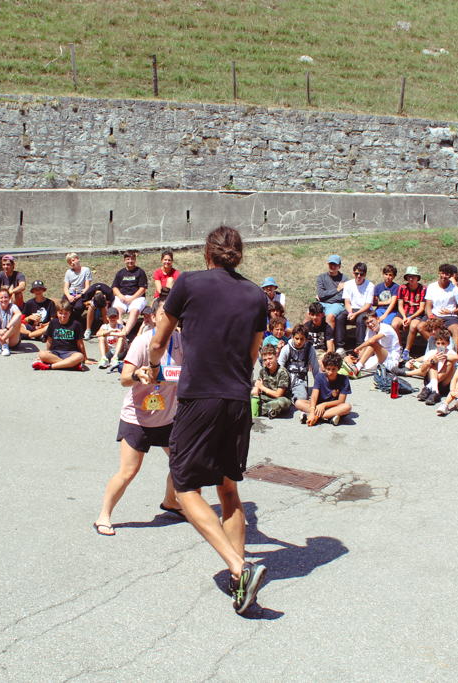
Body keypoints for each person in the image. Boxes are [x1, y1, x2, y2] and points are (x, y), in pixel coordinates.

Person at [142, 225, 268, 614]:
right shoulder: (257, 295)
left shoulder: (188, 283)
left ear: (207, 254)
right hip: (238, 399)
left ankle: (238, 567)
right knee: (228, 489)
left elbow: (160, 339)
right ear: (238, 255)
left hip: (200, 398)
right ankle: (240, 585)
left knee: (185, 487)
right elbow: (253, 353)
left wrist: (153, 364)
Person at [94, 297, 184, 536]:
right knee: (128, 471)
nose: (169, 319)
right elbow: (124, 379)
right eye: (164, 314)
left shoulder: (180, 341)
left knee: (181, 463)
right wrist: (137, 375)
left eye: (173, 315)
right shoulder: (142, 341)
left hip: (168, 417)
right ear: (153, 317)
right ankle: (104, 515)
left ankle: (170, 501)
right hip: (138, 418)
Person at [296, 351, 352, 426]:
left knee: (347, 407)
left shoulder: (344, 379)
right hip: (318, 405)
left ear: (338, 368)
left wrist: (324, 405)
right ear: (324, 367)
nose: (330, 372)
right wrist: (312, 411)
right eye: (328, 369)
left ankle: (314, 417)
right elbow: (314, 396)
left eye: (334, 369)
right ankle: (328, 417)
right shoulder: (319, 377)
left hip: (333, 407)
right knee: (298, 403)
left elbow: (341, 401)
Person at [345, 309, 402, 379]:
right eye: (367, 323)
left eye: (372, 321)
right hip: (378, 358)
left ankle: (357, 368)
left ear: (378, 319)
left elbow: (371, 341)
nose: (370, 325)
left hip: (391, 360)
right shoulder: (370, 332)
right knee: (347, 359)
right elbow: (364, 349)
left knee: (373, 343)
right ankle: (355, 368)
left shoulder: (386, 328)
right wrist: (357, 358)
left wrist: (357, 349)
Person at [33, 298, 87, 370]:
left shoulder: (76, 324)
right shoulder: (53, 323)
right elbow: (49, 340)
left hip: (71, 353)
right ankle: (72, 365)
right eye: (60, 313)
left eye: (65, 313)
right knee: (42, 354)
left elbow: (80, 343)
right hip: (55, 353)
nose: (63, 316)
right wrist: (47, 353)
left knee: (79, 356)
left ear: (70, 313)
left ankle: (49, 366)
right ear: (57, 313)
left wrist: (85, 358)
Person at [423, 263, 458, 351]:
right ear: (439, 273)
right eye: (442, 273)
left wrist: (451, 312)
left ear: (450, 276)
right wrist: (431, 316)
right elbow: (428, 306)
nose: (444, 276)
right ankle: (436, 347)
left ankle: (453, 353)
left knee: (456, 329)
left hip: (450, 316)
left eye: (447, 274)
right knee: (420, 326)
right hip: (435, 315)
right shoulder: (432, 286)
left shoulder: (454, 289)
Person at [311, 255, 348, 347]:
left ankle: (329, 346)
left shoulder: (344, 279)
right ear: (328, 264)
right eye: (331, 264)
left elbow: (341, 297)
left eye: (335, 265)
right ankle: (305, 342)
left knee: (330, 316)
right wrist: (337, 290)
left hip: (337, 304)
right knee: (309, 314)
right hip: (322, 303)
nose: (333, 266)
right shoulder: (321, 277)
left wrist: (324, 297)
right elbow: (321, 294)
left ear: (339, 266)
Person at [278, 324, 320, 404]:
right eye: (297, 338)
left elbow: (316, 370)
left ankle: (295, 399)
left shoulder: (310, 349)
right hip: (285, 380)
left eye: (302, 339)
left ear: (306, 339)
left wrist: (319, 388)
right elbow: (279, 369)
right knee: (278, 396)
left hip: (299, 381)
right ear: (292, 337)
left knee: (302, 399)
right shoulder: (286, 349)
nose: (299, 342)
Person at [416, 327, 457, 406]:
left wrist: (445, 356)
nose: (440, 345)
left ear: (448, 344)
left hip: (444, 382)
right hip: (431, 378)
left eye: (443, 343)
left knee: (450, 362)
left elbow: (456, 358)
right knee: (433, 362)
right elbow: (422, 369)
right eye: (438, 343)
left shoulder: (450, 352)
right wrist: (432, 360)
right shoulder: (431, 352)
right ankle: (435, 391)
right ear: (435, 343)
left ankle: (429, 387)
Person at [111, 250, 148, 338]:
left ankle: (124, 334)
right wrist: (120, 296)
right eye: (128, 259)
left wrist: (132, 298)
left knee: (134, 311)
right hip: (122, 297)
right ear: (124, 260)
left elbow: (142, 289)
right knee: (116, 312)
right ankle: (120, 331)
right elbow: (115, 287)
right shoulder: (120, 273)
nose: (130, 261)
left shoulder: (140, 272)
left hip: (137, 297)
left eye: (132, 259)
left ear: (135, 259)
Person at [338, 262, 373, 351]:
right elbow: (347, 302)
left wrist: (355, 314)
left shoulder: (370, 286)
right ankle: (340, 347)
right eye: (356, 273)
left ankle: (359, 347)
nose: (358, 276)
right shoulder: (348, 284)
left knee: (360, 320)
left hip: (364, 310)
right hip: (352, 309)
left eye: (361, 274)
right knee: (339, 318)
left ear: (365, 275)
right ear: (353, 273)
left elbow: (367, 305)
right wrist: (350, 312)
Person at [252, 343, 292, 418]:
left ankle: (257, 408)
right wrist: (256, 389)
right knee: (248, 395)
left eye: (270, 358)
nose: (268, 361)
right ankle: (269, 410)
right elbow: (257, 384)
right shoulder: (263, 371)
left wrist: (261, 387)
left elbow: (278, 394)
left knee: (282, 402)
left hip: (280, 398)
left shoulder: (282, 372)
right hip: (267, 397)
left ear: (276, 357)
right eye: (265, 360)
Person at [396, 266, 426, 359]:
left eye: (413, 277)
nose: (411, 279)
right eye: (409, 276)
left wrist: (410, 317)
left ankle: (407, 350)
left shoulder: (423, 289)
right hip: (404, 312)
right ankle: (399, 347)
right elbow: (400, 306)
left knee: (413, 326)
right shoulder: (402, 288)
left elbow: (422, 308)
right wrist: (404, 317)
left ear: (417, 278)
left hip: (416, 314)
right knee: (394, 324)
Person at [63, 252, 92, 320]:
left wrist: (80, 295)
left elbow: (87, 286)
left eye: (73, 260)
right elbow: (66, 287)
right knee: (63, 306)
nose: (72, 263)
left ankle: (75, 320)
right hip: (71, 293)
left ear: (78, 259)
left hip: (81, 293)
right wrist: (68, 296)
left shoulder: (86, 270)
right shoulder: (68, 272)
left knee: (78, 307)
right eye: (70, 262)